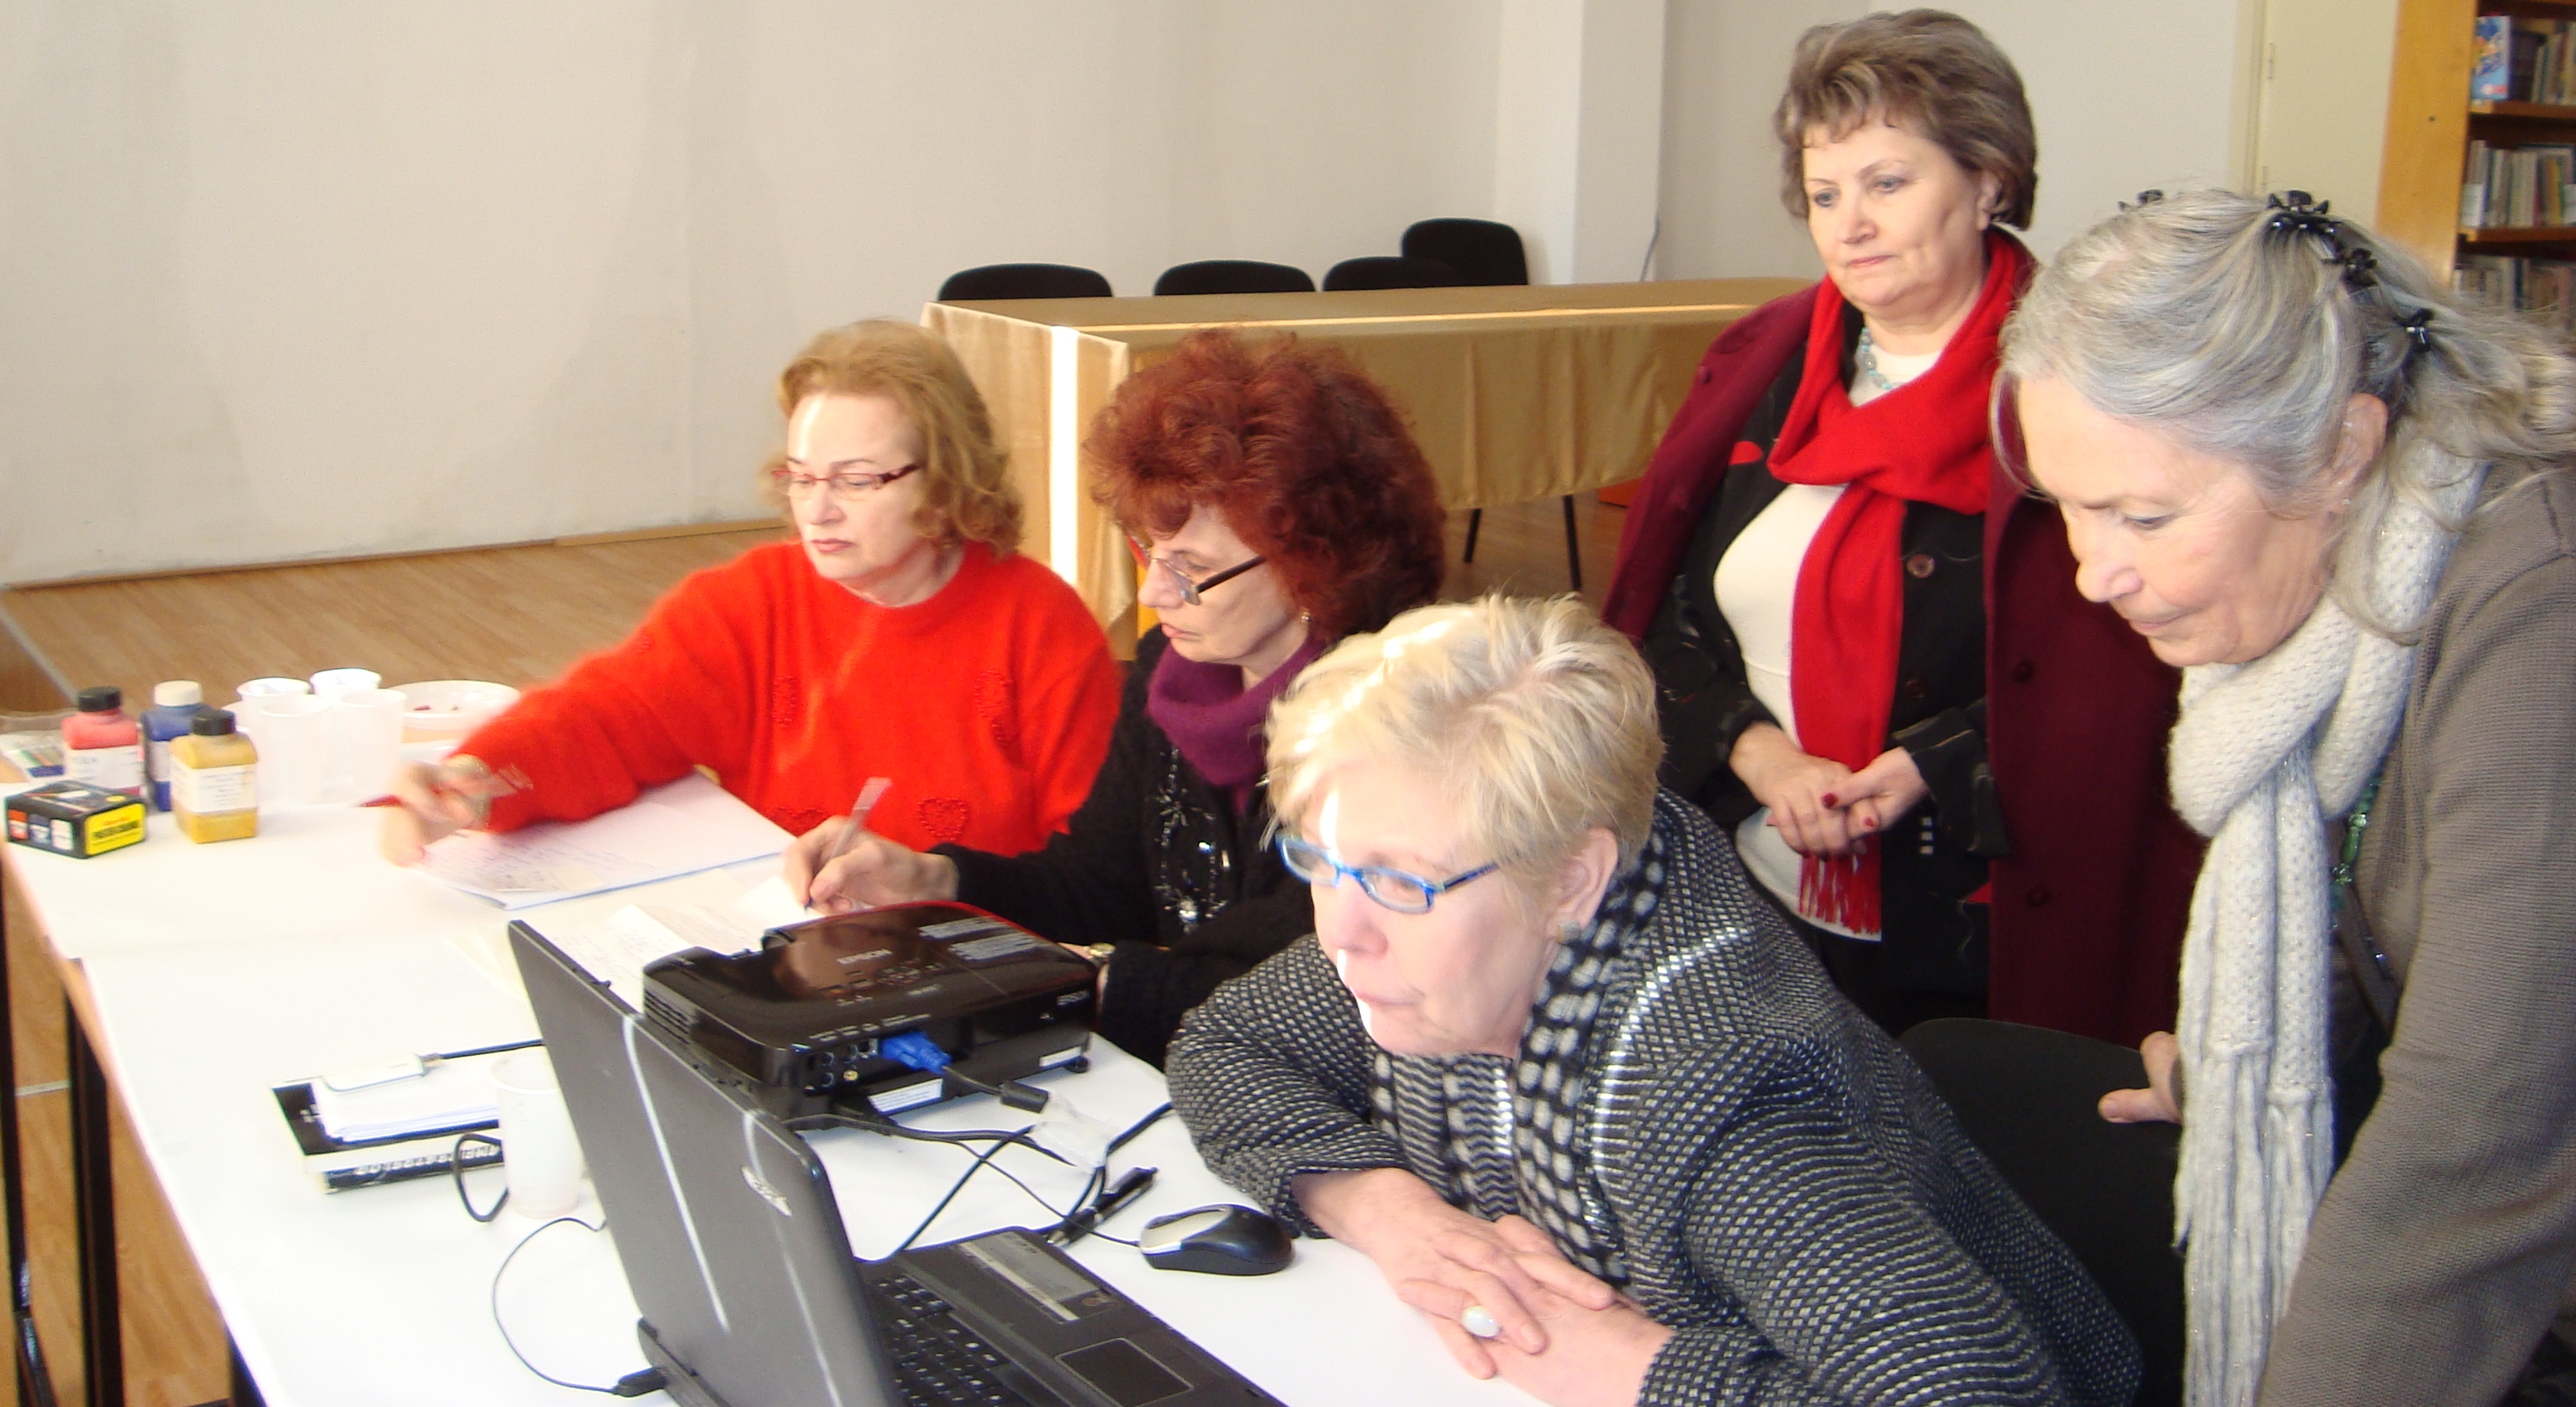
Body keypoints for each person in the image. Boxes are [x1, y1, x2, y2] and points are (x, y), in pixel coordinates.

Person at [1167, 594, 2139, 1407]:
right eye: (1321, 862)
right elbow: (1225, 1045)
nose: (1344, 931)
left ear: (1571, 880)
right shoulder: (1463, 928)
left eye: (1395, 880)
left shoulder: (1715, 1098)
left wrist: (1633, 1366)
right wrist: (1397, 1216)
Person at [2004, 190, 2576, 1407]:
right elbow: (2362, 871)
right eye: (2069, 509)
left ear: (2342, 452)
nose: (2096, 575)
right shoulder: (2360, 569)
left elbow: (2482, 1137)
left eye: (2144, 516)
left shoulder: (2543, 612)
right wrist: (2252, 1056)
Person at [1602, 8, 2197, 1042]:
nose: (1851, 226)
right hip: (1748, 890)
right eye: (1825, 194)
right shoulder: (1764, 366)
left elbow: (2123, 661)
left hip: (1980, 922)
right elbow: (1670, 615)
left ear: (1989, 181)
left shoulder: (2080, 389)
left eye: (1888, 183)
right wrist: (1760, 756)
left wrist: (1930, 763)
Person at [782, 329, 1446, 1067]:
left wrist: (1096, 984)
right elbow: (1099, 884)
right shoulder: (1177, 674)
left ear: (1311, 564)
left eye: (1191, 569)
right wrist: (935, 880)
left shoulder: (1391, 729)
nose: (1155, 592)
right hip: (1182, 1064)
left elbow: (1314, 995)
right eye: (1147, 551)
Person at [377, 319, 1120, 862]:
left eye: (856, 481)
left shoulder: (1040, 628)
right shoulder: (754, 600)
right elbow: (611, 716)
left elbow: (1094, 868)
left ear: (947, 475)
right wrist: (475, 779)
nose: (817, 510)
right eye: (801, 476)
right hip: (786, 950)